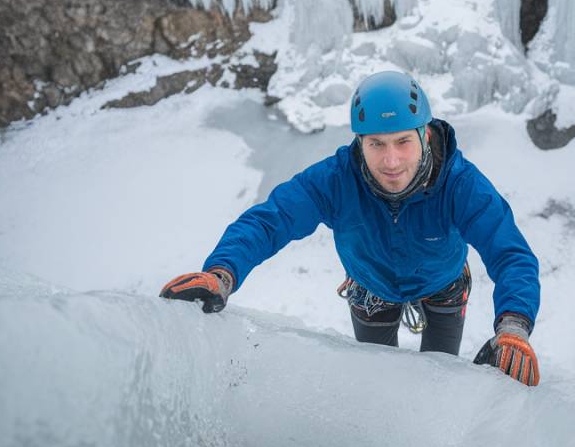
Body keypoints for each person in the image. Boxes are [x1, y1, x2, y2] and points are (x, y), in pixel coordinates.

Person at [160, 71, 541, 386]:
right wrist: (222, 273)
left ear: (425, 135)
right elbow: (270, 220)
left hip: (442, 287)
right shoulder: (336, 180)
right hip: (371, 288)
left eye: (403, 142)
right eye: (376, 144)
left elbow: (509, 252)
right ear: (359, 142)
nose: (391, 161)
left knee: (436, 382)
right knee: (378, 384)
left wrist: (513, 325)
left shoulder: (459, 184)